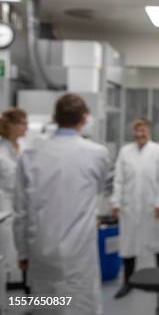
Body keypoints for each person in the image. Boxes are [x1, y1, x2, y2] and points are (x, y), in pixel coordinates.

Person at [13, 94, 110, 315]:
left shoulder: (30, 155)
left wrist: (22, 253)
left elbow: (21, 212)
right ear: (84, 118)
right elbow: (98, 189)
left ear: (54, 117)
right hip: (79, 250)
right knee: (81, 303)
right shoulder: (97, 154)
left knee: (47, 304)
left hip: (41, 248)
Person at [111, 118, 159, 299]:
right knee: (128, 245)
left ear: (149, 131)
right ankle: (128, 282)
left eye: (143, 130)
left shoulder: (158, 151)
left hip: (152, 205)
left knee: (158, 242)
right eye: (137, 130)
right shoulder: (125, 151)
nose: (140, 134)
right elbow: (118, 179)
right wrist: (116, 202)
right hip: (130, 206)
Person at [0, 108, 27, 290]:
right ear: (12, 126)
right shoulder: (1, 151)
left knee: (26, 258)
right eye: (23, 123)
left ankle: (34, 304)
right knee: (5, 260)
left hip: (25, 208)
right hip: (5, 210)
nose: (26, 127)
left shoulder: (26, 147)